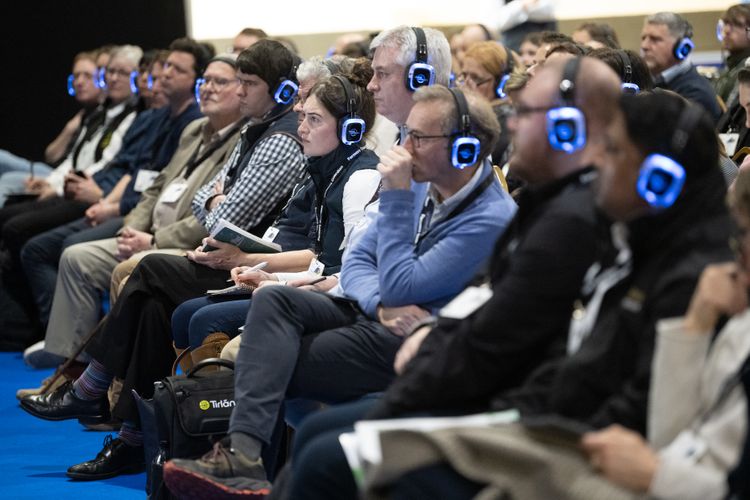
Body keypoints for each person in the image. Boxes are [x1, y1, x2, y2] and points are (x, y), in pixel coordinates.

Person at [353, 85, 734, 500]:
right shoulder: (624, 242)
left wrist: (508, 421)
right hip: (536, 415)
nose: (598, 162)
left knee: (349, 461)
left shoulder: (680, 274)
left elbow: (638, 410)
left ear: (659, 181)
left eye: (613, 151)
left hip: (578, 443)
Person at [163, 82, 517, 499]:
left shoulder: (488, 216)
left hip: (415, 337)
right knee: (274, 299)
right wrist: (379, 302)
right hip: (376, 313)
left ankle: (250, 462)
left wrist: (397, 203)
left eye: (419, 138)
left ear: (465, 149)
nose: (403, 149)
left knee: (270, 368)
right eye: (405, 134)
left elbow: (402, 284)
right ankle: (244, 457)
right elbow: (357, 259)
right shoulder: (422, 183)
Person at [19, 38, 308, 481]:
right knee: (153, 305)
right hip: (230, 257)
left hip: (250, 266)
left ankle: (92, 387)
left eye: (248, 83)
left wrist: (215, 201)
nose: (239, 91)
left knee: (149, 267)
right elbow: (202, 199)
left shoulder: (280, 140)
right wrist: (215, 201)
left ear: (281, 91)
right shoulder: (255, 128)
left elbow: (221, 213)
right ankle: (132, 437)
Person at [16, 55, 246, 389]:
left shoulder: (241, 140)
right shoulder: (194, 130)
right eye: (206, 81)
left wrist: (152, 240)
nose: (208, 88)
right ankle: (73, 370)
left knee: (127, 267)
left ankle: (108, 387)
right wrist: (133, 227)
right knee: (76, 257)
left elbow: (211, 217)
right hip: (145, 231)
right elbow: (156, 184)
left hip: (182, 244)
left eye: (219, 81)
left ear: (241, 91)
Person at [169, 59, 381, 364]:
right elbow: (322, 262)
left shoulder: (361, 178)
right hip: (316, 286)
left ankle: (209, 395)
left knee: (203, 319)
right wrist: (268, 275)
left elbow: (350, 272)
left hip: (340, 301)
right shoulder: (327, 171)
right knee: (185, 314)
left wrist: (277, 282)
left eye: (314, 120)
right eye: (303, 117)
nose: (302, 129)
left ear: (351, 130)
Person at [5, 38, 205, 356]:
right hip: (133, 211)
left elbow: (170, 191)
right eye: (164, 68)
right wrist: (115, 209)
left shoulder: (193, 124)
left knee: (58, 246)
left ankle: (81, 348)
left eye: (175, 70)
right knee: (52, 242)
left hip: (156, 223)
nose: (164, 76)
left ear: (196, 80)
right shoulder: (155, 119)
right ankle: (71, 351)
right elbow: (141, 175)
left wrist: (117, 211)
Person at [0, 51, 103, 197]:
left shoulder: (105, 117)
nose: (79, 82)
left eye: (87, 76)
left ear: (101, 79)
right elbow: (50, 156)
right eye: (76, 76)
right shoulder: (83, 115)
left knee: (6, 175)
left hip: (67, 176)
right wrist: (69, 129)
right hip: (57, 171)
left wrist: (54, 184)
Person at [641, 12, 722, 121]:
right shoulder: (652, 82)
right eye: (643, 38)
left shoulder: (696, 93)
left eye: (655, 39)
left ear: (682, 48)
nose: (644, 46)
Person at [457, 40, 516, 166]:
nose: (466, 85)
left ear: (502, 84)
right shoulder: (463, 115)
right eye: (464, 76)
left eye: (476, 78)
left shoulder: (506, 123)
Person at [715, 4, 750, 109]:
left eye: (736, 24)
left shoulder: (747, 69)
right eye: (725, 24)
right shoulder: (730, 68)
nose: (726, 30)